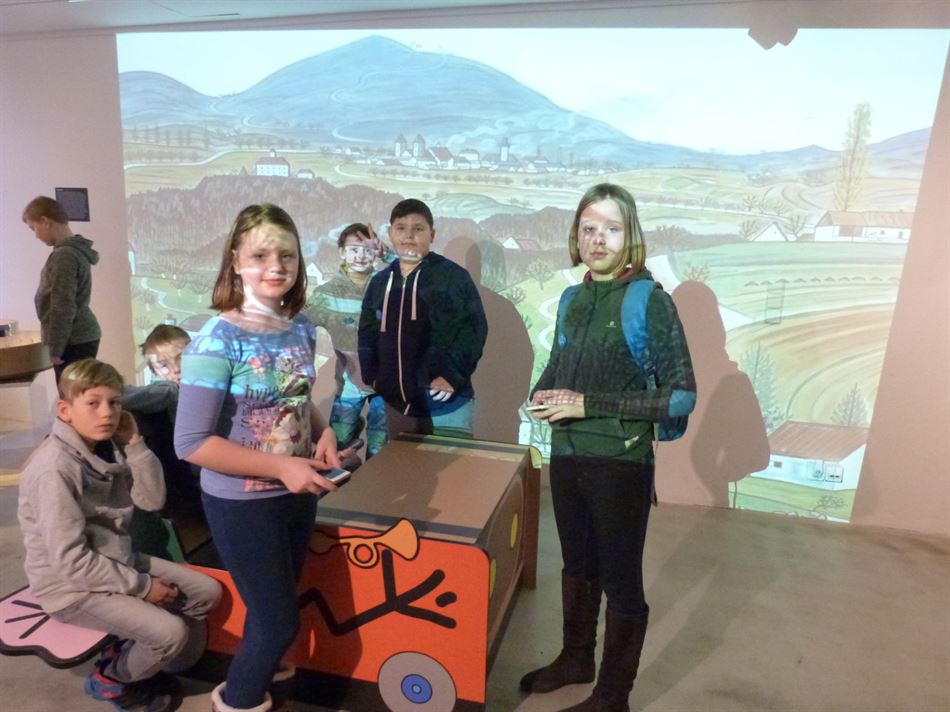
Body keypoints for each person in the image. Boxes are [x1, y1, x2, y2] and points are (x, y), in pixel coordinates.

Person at [519, 184, 696, 712]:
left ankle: (613, 697)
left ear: (630, 235)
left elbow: (681, 395)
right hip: (568, 454)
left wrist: (585, 404)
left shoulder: (650, 301)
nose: (598, 239)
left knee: (620, 582)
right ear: (576, 235)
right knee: (576, 566)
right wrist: (542, 394)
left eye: (611, 229)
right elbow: (558, 365)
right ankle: (576, 660)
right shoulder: (573, 299)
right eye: (588, 228)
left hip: (621, 463)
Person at [174, 204, 341, 712]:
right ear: (235, 261)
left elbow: (296, 397)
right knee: (278, 622)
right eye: (261, 255)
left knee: (273, 610)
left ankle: (267, 683)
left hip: (296, 493)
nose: (276, 266)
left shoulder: (300, 327)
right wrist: (282, 467)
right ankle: (238, 700)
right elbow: (191, 443)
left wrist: (324, 431)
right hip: (242, 504)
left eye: (286, 255)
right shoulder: (215, 340)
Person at [17, 358, 222, 712]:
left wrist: (135, 445)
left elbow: (152, 501)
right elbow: (70, 562)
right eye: (93, 403)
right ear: (65, 411)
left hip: (115, 561)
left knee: (207, 592)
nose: (107, 413)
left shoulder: (105, 447)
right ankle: (111, 679)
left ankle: (138, 653)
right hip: (69, 588)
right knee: (170, 634)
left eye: (114, 402)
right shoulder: (55, 469)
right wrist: (143, 587)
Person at [358, 198, 487, 439]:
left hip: (447, 402)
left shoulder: (453, 277)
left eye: (418, 228)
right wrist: (374, 377)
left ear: (432, 234)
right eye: (401, 228)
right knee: (404, 464)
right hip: (397, 405)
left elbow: (474, 330)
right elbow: (367, 334)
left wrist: (452, 376)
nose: (409, 236)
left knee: (451, 464)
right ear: (390, 233)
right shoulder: (380, 282)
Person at [306, 223, 388, 466]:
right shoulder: (328, 293)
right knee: (338, 444)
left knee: (380, 446)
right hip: (350, 381)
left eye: (367, 250)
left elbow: (413, 277)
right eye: (354, 249)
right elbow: (301, 325)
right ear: (342, 252)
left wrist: (388, 254)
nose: (360, 256)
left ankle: (376, 485)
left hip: (386, 382)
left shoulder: (387, 286)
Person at [123, 324, 203, 528]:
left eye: (181, 359)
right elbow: (124, 395)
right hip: (196, 479)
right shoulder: (170, 390)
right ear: (154, 371)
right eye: (164, 365)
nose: (176, 369)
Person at [23, 195, 102, 381]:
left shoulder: (64, 255)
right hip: (78, 337)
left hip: (73, 340)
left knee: (73, 394)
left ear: (45, 221)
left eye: (34, 228)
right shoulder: (71, 251)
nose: (36, 236)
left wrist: (56, 349)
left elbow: (62, 305)